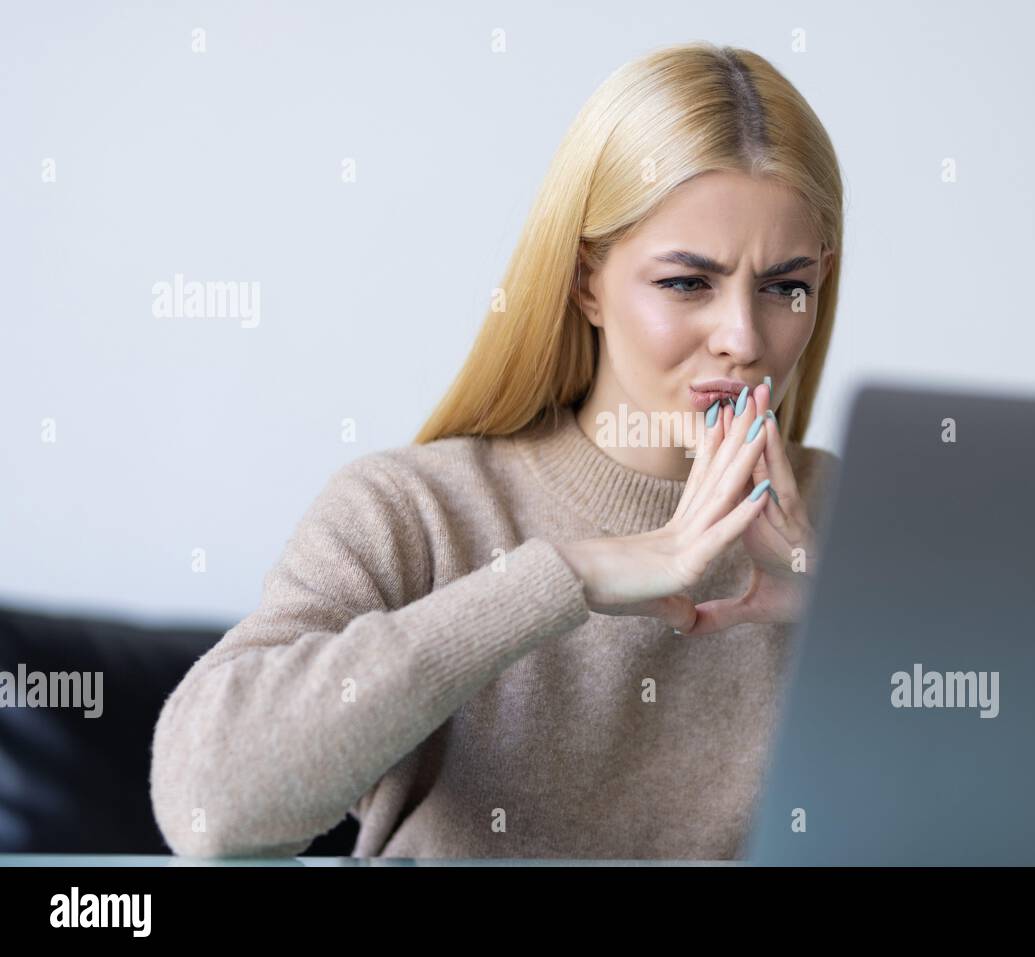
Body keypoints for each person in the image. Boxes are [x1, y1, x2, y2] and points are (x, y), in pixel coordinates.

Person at [150, 40, 844, 860]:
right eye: (687, 282)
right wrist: (564, 577)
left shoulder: (860, 520)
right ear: (587, 280)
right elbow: (207, 803)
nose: (743, 336)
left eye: (783, 287)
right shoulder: (416, 511)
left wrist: (851, 626)